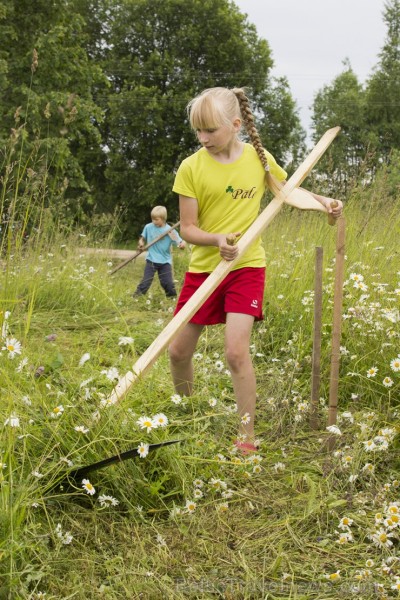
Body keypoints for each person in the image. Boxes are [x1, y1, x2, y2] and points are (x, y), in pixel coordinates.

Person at [168, 87, 343, 454]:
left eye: (210, 131)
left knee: (235, 352)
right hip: (203, 270)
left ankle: (246, 437)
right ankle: (187, 414)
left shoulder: (258, 160)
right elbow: (187, 228)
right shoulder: (191, 167)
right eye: (197, 131)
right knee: (178, 351)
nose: (202, 139)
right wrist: (216, 239)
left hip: (246, 266)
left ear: (235, 125)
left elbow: (287, 190)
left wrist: (323, 202)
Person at [133, 205, 186, 298]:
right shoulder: (148, 227)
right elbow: (142, 239)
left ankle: (172, 299)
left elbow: (180, 243)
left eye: (156, 219)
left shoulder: (169, 231)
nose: (154, 221)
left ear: (163, 218)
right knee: (146, 281)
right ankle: (136, 298)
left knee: (168, 283)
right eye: (152, 219)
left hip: (165, 261)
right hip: (151, 260)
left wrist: (182, 245)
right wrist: (141, 244)